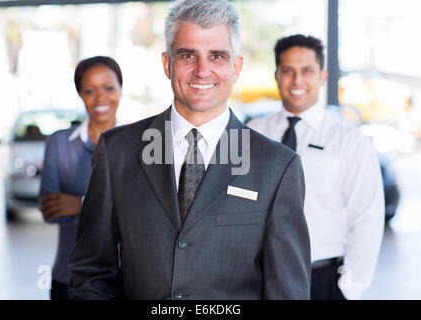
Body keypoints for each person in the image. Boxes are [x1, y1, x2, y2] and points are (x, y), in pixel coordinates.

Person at [69, 0, 310, 300]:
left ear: (235, 68)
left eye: (217, 56)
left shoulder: (277, 166)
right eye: (187, 55)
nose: (202, 70)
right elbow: (90, 273)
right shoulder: (116, 152)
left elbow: (287, 292)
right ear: (167, 64)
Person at [248, 34, 384, 300]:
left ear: (322, 76)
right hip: (258, 279)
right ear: (276, 75)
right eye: (288, 71)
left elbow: (367, 217)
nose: (297, 81)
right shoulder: (252, 135)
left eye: (307, 71)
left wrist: (348, 288)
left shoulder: (350, 141)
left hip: (321, 280)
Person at [39, 56, 123, 300]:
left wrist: (81, 203)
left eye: (108, 88)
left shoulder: (138, 144)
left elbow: (142, 214)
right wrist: (115, 208)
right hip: (68, 277)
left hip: (124, 278)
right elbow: (50, 209)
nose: (100, 99)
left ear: (120, 89)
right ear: (80, 94)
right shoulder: (59, 143)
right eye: (89, 90)